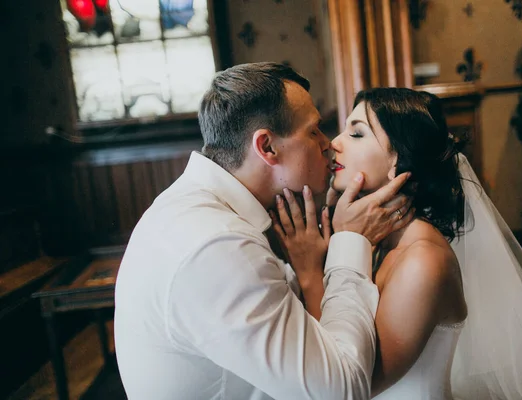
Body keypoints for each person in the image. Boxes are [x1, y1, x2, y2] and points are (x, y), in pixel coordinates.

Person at [273, 87, 522, 399]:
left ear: (397, 161)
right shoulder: (376, 245)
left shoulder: (423, 261)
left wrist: (309, 271)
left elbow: (351, 385)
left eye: (356, 133)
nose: (334, 143)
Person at [113, 63, 415, 400]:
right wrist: (350, 241)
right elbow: (342, 391)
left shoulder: (195, 211)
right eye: (314, 131)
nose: (328, 143)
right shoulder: (216, 245)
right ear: (267, 147)